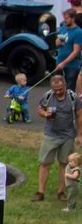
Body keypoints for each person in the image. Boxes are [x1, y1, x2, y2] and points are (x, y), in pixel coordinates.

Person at [35, 71, 80, 201]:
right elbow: (40, 109)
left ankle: (61, 192)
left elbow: (79, 116)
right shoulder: (48, 96)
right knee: (45, 163)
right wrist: (45, 114)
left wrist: (80, 135)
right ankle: (40, 192)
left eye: (60, 89)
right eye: (55, 90)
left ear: (65, 85)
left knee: (65, 164)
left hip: (68, 135)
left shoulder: (73, 98)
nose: (58, 92)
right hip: (51, 134)